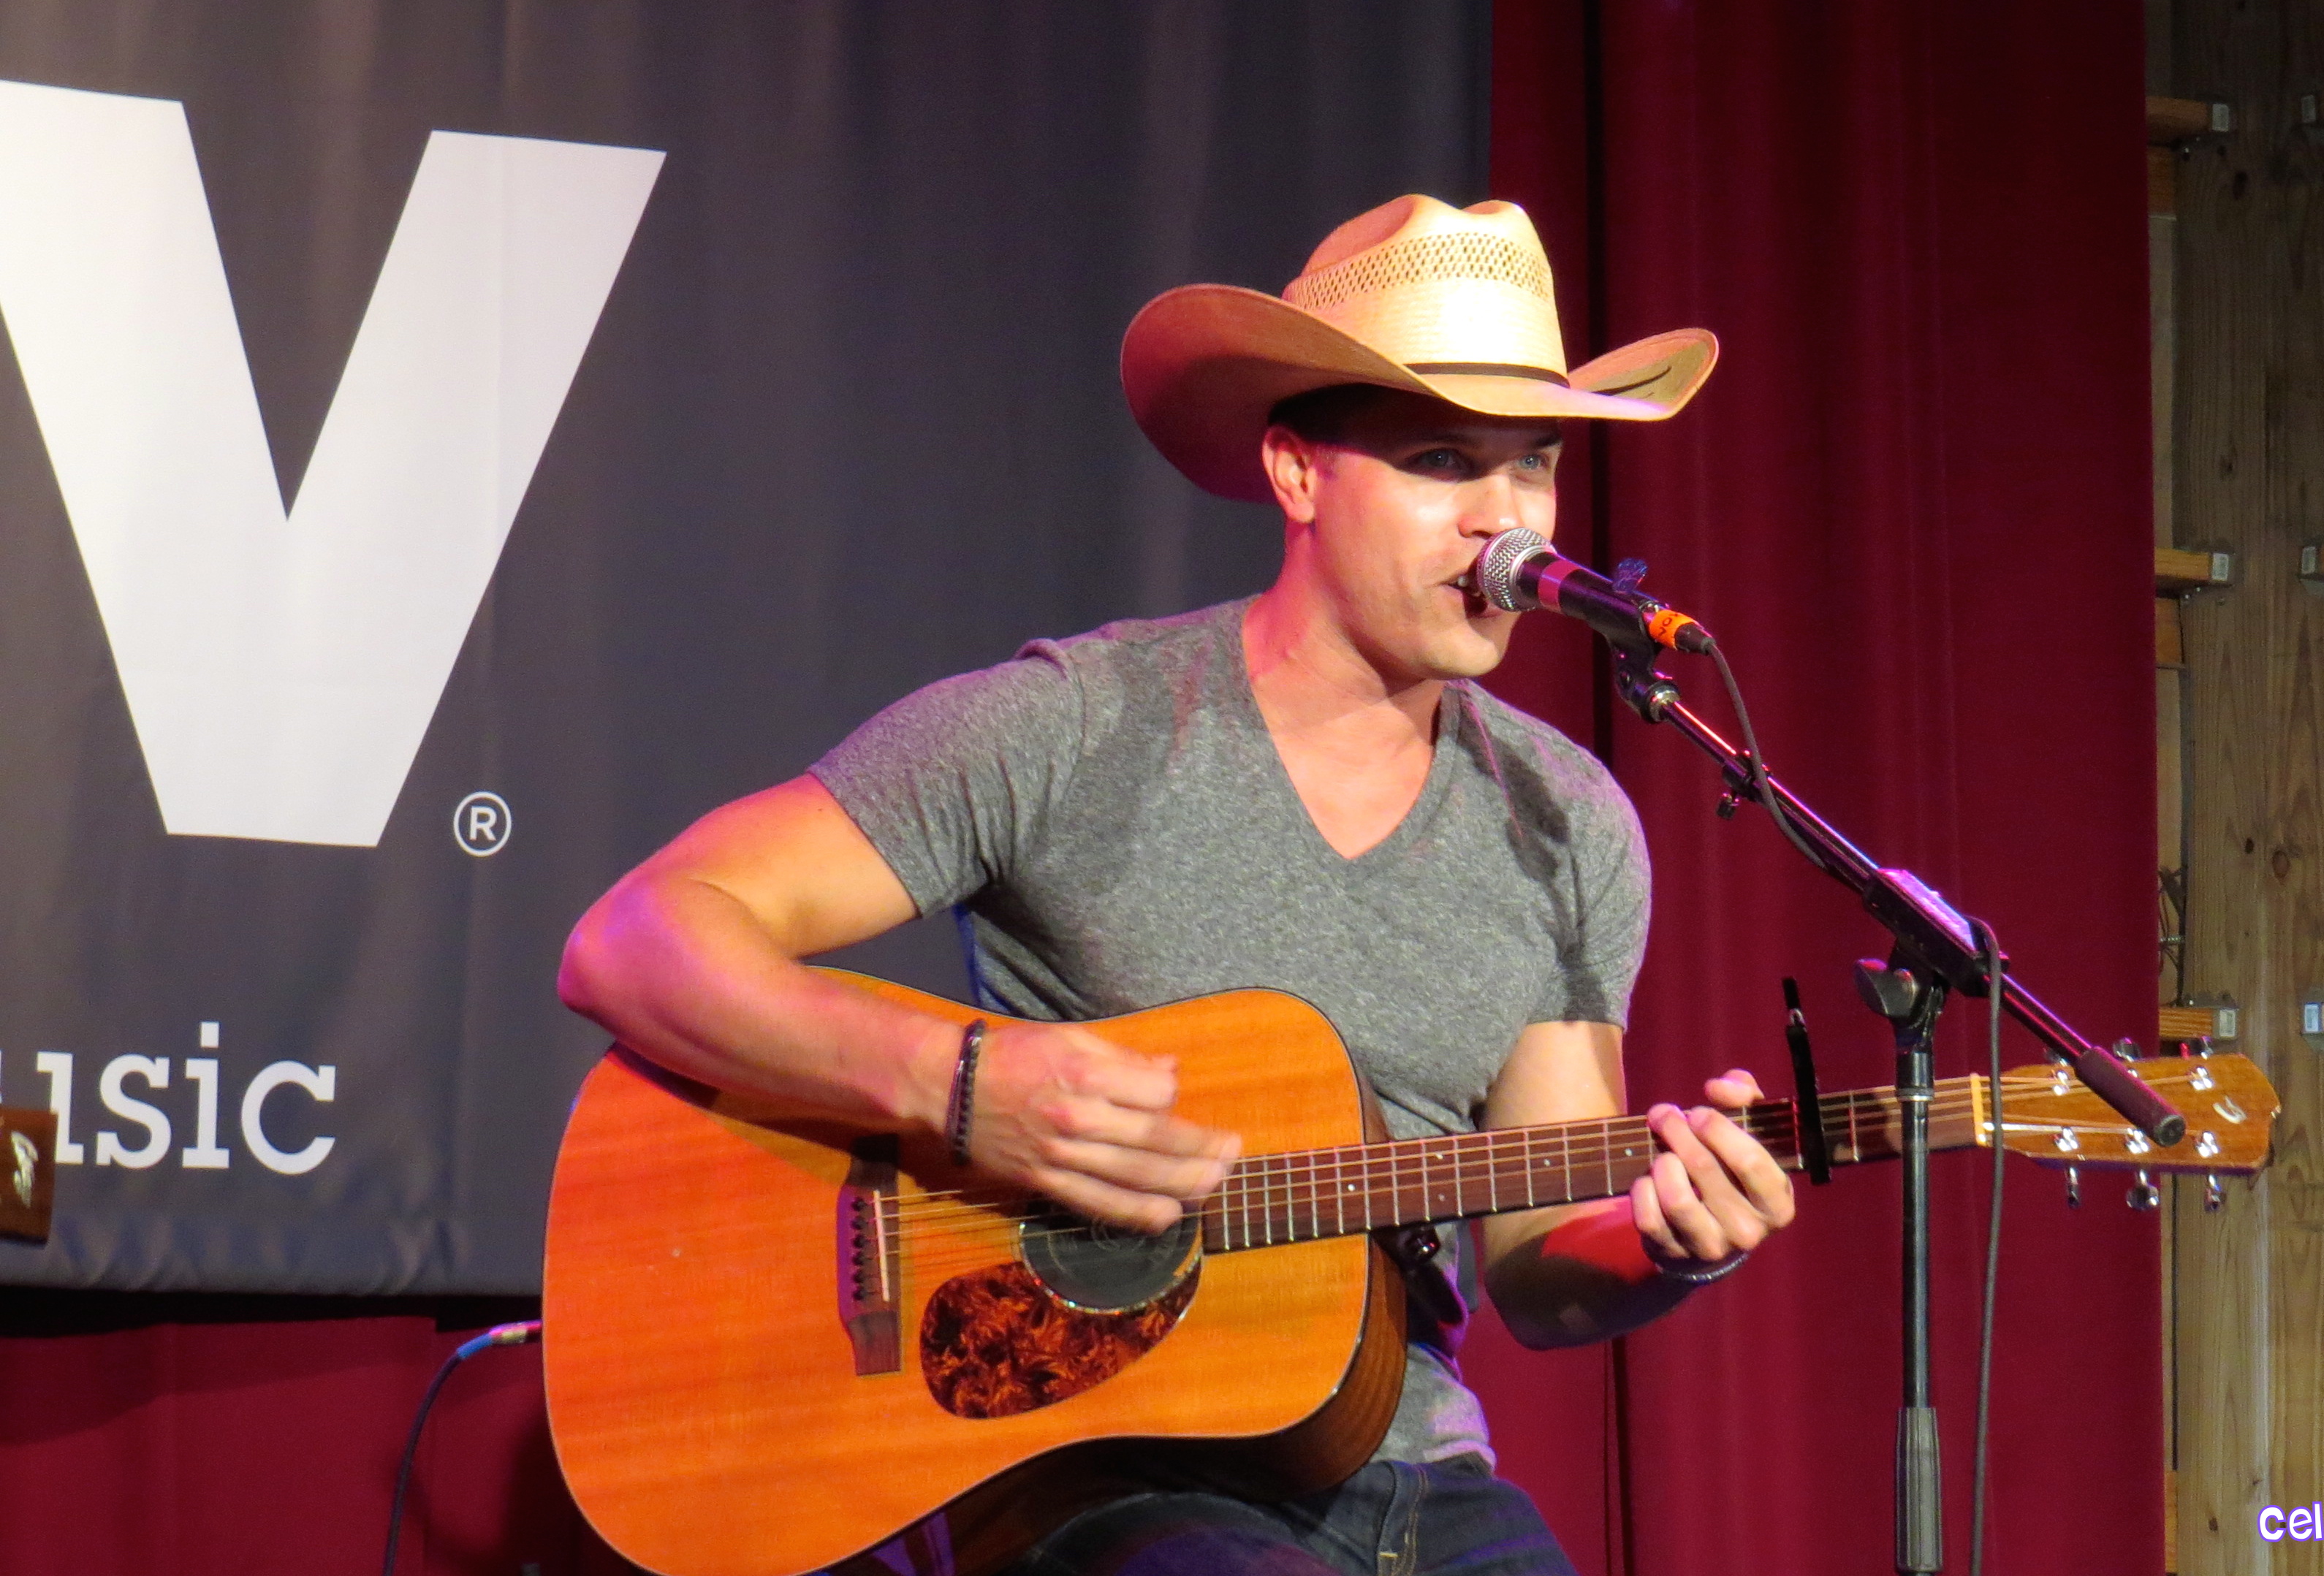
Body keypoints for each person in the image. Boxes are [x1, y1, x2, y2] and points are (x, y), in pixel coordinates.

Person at [558, 194, 1796, 1576]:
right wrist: (957, 1082)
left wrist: (1671, 1244)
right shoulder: (1074, 725)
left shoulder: (1566, 821)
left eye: (1534, 467)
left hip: (1413, 1477)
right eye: (1443, 460)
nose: (1504, 522)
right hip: (1096, 1468)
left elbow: (1536, 1268)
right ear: (1297, 472)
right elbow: (635, 938)